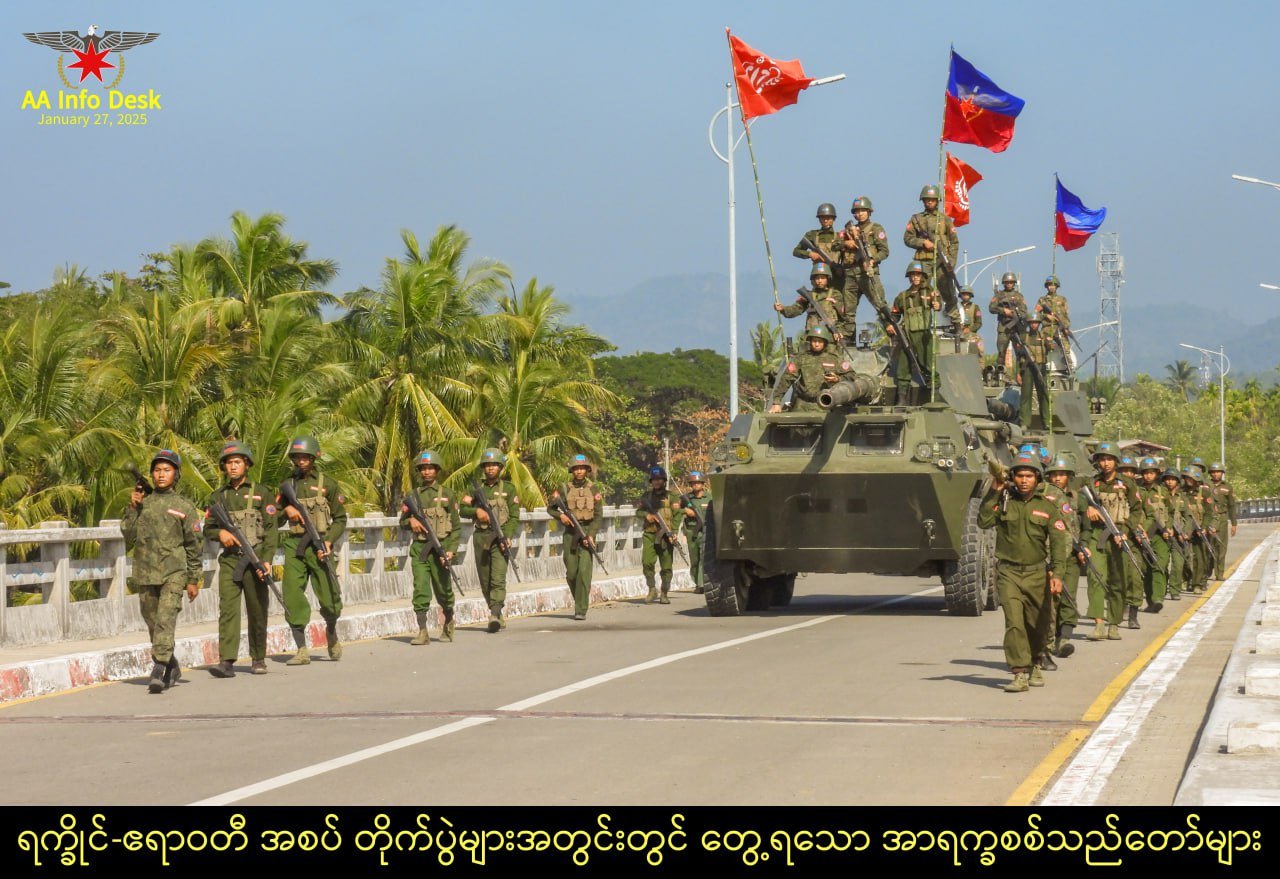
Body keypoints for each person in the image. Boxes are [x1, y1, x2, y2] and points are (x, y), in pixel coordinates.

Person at [978, 453, 1069, 693]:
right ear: (1013, 477)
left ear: (1037, 478)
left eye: (1029, 476)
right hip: (1008, 572)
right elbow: (984, 521)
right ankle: (1019, 672)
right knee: (1014, 623)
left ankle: (1036, 661)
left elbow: (1059, 544)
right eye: (1019, 476)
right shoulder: (1004, 501)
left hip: (1037, 574)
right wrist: (994, 491)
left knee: (1037, 625)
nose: (1024, 480)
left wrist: (1057, 575)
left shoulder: (1047, 507)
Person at [122, 449, 203, 694]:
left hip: (173, 573)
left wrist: (193, 579)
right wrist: (133, 508)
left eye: (167, 470)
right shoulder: (143, 504)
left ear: (175, 475)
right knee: (153, 623)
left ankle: (158, 669)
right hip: (146, 573)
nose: (161, 474)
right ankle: (172, 664)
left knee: (166, 620)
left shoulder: (184, 506)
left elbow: (194, 545)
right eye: (157, 470)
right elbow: (128, 535)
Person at [205, 441, 277, 678]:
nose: (233, 467)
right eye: (229, 463)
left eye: (237, 462)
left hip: (255, 559)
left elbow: (271, 530)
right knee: (228, 610)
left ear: (247, 464)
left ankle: (258, 658)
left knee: (257, 609)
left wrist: (266, 560)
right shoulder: (218, 497)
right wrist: (220, 534)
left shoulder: (262, 493)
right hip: (230, 561)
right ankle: (226, 660)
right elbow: (207, 528)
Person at [277, 435, 347, 665]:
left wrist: (329, 541)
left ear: (313, 458)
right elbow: (273, 519)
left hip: (320, 545)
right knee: (291, 594)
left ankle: (331, 630)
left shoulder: (328, 484)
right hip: (295, 545)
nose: (301, 461)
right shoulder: (287, 485)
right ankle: (301, 649)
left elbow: (340, 518)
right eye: (297, 457)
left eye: (305, 457)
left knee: (330, 597)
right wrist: (286, 511)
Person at [1082, 442, 1147, 641]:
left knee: (1118, 581)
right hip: (1097, 536)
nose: (1106, 463)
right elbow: (1077, 499)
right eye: (1102, 459)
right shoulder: (1092, 483)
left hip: (1119, 535)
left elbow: (1136, 510)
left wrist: (1125, 531)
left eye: (1109, 459)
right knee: (1095, 578)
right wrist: (1088, 507)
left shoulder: (1127, 484)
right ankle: (1099, 624)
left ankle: (1113, 624)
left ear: (1116, 461)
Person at [400, 449, 460, 644]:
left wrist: (450, 550)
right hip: (420, 550)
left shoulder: (448, 495)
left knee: (444, 590)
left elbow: (456, 527)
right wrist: (410, 521)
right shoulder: (412, 495)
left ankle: (448, 620)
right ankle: (422, 631)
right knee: (420, 589)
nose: (426, 472)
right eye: (423, 469)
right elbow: (402, 521)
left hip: (441, 549)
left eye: (430, 468)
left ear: (437, 470)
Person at [461, 448, 521, 632]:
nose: (490, 468)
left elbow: (514, 516)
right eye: (487, 465)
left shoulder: (509, 489)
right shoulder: (474, 489)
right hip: (481, 537)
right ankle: (497, 611)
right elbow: (462, 509)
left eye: (494, 465)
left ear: (500, 467)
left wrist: (507, 535)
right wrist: (476, 511)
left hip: (500, 537)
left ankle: (494, 614)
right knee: (485, 579)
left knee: (498, 578)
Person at [1043, 455, 1088, 659]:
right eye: (1054, 474)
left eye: (1062, 474)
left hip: (1072, 554)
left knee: (1069, 596)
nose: (1058, 478)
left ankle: (1064, 638)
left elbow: (1085, 526)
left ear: (1069, 476)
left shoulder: (1078, 498)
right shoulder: (1043, 496)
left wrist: (1083, 546)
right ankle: (1049, 639)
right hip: (1049, 554)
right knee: (1052, 599)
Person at [549, 453, 604, 620]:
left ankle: (581, 609)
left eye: (582, 468)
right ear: (572, 470)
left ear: (587, 470)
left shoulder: (593, 489)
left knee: (584, 572)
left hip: (586, 532)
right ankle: (580, 598)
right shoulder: (564, 488)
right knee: (572, 573)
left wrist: (591, 535)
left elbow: (598, 515)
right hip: (570, 533)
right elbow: (550, 508)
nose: (579, 471)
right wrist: (561, 516)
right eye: (576, 469)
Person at [903, 184, 960, 324]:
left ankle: (956, 323)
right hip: (923, 262)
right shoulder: (916, 219)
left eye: (932, 199)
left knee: (948, 292)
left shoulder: (945, 219)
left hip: (942, 261)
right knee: (921, 292)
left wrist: (951, 262)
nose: (930, 202)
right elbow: (908, 239)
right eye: (927, 199)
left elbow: (954, 242)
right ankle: (920, 322)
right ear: (923, 201)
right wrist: (922, 242)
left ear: (937, 201)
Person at [888, 261, 941, 405]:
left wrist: (937, 305)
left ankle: (935, 398)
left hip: (924, 336)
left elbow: (938, 303)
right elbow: (895, 314)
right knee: (903, 367)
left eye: (918, 274)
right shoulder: (902, 297)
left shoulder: (930, 292)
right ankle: (902, 399)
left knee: (928, 366)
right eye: (912, 275)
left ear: (922, 276)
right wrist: (890, 324)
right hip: (906, 336)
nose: (915, 277)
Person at [833, 196, 890, 324]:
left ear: (869, 212)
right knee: (848, 312)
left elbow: (884, 251)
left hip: (868, 273)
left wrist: (872, 260)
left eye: (863, 210)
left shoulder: (876, 228)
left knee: (880, 305)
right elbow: (834, 245)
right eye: (857, 211)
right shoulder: (848, 230)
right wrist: (846, 243)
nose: (860, 214)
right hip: (850, 275)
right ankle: (848, 335)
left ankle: (892, 330)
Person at [770, 326, 853, 412]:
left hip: (826, 404)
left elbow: (851, 376)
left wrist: (837, 379)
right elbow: (786, 379)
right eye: (814, 341)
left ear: (825, 342)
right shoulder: (801, 358)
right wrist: (776, 402)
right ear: (810, 341)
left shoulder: (835, 359)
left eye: (820, 341)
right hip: (802, 406)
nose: (816, 344)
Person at [636, 466, 682, 604]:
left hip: (666, 536)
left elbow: (677, 515)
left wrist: (674, 532)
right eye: (654, 479)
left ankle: (664, 592)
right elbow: (638, 512)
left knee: (666, 566)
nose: (656, 482)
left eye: (659, 479)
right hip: (650, 534)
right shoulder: (646, 497)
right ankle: (652, 589)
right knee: (647, 562)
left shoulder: (672, 496)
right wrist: (647, 515)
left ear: (664, 480)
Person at [1136, 457, 1173, 614]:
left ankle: (1158, 599)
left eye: (1151, 473)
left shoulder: (1163, 492)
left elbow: (1171, 512)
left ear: (1156, 474)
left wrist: (1169, 527)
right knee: (1145, 569)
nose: (1148, 476)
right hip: (1141, 534)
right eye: (1146, 473)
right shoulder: (1136, 490)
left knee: (1159, 566)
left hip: (1159, 535)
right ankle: (1150, 601)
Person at [775, 262, 846, 340]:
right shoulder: (808, 295)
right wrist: (783, 309)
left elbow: (844, 315)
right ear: (813, 280)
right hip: (812, 336)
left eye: (822, 278)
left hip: (830, 335)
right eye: (817, 278)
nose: (820, 281)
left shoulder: (835, 294)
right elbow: (795, 309)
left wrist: (838, 331)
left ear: (828, 279)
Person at [988, 272, 1027, 377]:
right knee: (1001, 353)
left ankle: (1021, 376)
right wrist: (1003, 311)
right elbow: (991, 308)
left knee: (1020, 354)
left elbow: (1024, 312)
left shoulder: (1019, 296)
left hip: (1016, 328)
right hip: (1003, 327)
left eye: (1011, 282)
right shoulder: (999, 295)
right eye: (1007, 282)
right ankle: (1000, 376)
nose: (1009, 284)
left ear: (1014, 283)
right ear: (1004, 283)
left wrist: (1015, 314)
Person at [1017, 314, 1053, 429]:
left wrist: (1049, 343)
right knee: (1026, 395)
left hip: (1041, 367)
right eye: (1032, 322)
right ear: (1029, 324)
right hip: (1027, 368)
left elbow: (1051, 348)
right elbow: (1019, 356)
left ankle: (1046, 421)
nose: (1034, 325)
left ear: (1039, 324)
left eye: (1036, 322)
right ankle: (1024, 422)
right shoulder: (1024, 337)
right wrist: (1019, 372)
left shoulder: (1044, 336)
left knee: (1043, 394)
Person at [680, 472, 713, 595]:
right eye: (693, 483)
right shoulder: (686, 498)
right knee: (695, 559)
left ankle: (702, 584)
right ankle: (696, 581)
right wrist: (685, 511)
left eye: (698, 482)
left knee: (704, 558)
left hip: (706, 531)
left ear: (703, 484)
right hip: (692, 532)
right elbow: (676, 509)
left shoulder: (709, 498)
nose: (696, 485)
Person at [1206, 462, 1237, 579]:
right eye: (1213, 472)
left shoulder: (1227, 487)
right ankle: (1207, 571)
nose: (1215, 474)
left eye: (1218, 472)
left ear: (1222, 473)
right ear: (1210, 473)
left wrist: (1234, 524)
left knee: (1221, 547)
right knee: (1209, 546)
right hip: (1209, 518)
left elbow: (1231, 506)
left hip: (1222, 518)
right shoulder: (1205, 485)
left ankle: (1219, 574)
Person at [793, 202, 841, 270]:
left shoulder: (840, 236)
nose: (825, 220)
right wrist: (810, 254)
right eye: (822, 218)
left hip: (836, 273)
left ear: (834, 219)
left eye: (828, 218)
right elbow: (796, 251)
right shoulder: (812, 235)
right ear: (819, 219)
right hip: (819, 273)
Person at [957, 286, 984, 354]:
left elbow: (979, 323)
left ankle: (980, 361)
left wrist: (969, 329)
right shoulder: (956, 307)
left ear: (970, 295)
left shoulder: (975, 307)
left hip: (971, 334)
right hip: (958, 333)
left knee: (980, 348)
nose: (965, 295)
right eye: (963, 294)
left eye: (967, 294)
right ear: (960, 295)